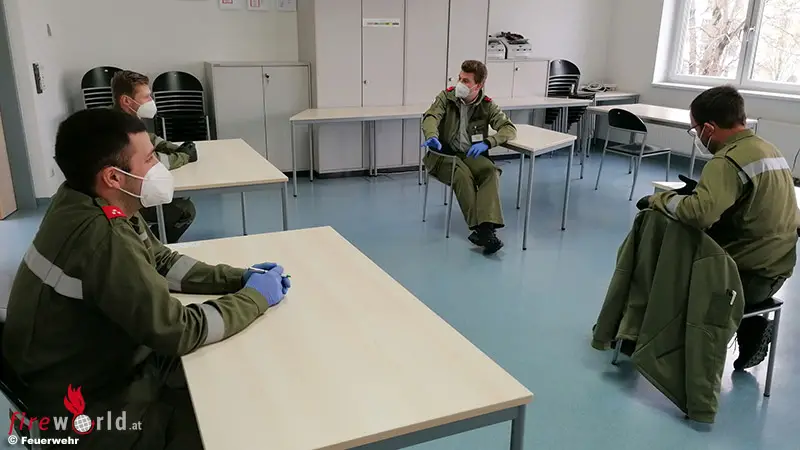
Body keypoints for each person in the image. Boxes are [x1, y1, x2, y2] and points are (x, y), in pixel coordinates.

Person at [1, 109, 291, 449]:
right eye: (150, 159)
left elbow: (161, 261)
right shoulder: (103, 237)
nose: (159, 167)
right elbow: (177, 330)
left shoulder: (84, 199)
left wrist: (238, 278)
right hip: (91, 408)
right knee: (234, 430)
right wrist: (255, 298)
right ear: (113, 177)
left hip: (89, 365)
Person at [641, 85, 798, 371]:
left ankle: (635, 338)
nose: (697, 136)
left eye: (695, 130)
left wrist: (660, 199)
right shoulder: (770, 150)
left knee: (659, 257)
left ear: (709, 128)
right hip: (775, 272)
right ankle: (751, 327)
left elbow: (698, 215)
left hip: (740, 279)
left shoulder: (727, 161)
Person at [421, 60, 517, 254]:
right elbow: (431, 117)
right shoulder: (446, 97)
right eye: (460, 78)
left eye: (466, 81)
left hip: (470, 154)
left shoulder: (487, 105)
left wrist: (488, 142)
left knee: (490, 171)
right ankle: (482, 230)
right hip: (443, 154)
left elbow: (509, 128)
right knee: (461, 175)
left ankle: (485, 229)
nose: (460, 84)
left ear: (478, 85)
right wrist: (431, 136)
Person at [111, 70, 197, 243]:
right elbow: (152, 161)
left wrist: (173, 147)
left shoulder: (125, 118)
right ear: (127, 101)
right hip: (123, 197)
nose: (151, 101)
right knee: (184, 209)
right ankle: (152, 246)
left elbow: (149, 138)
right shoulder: (120, 130)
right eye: (146, 97)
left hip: (124, 190)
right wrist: (184, 156)